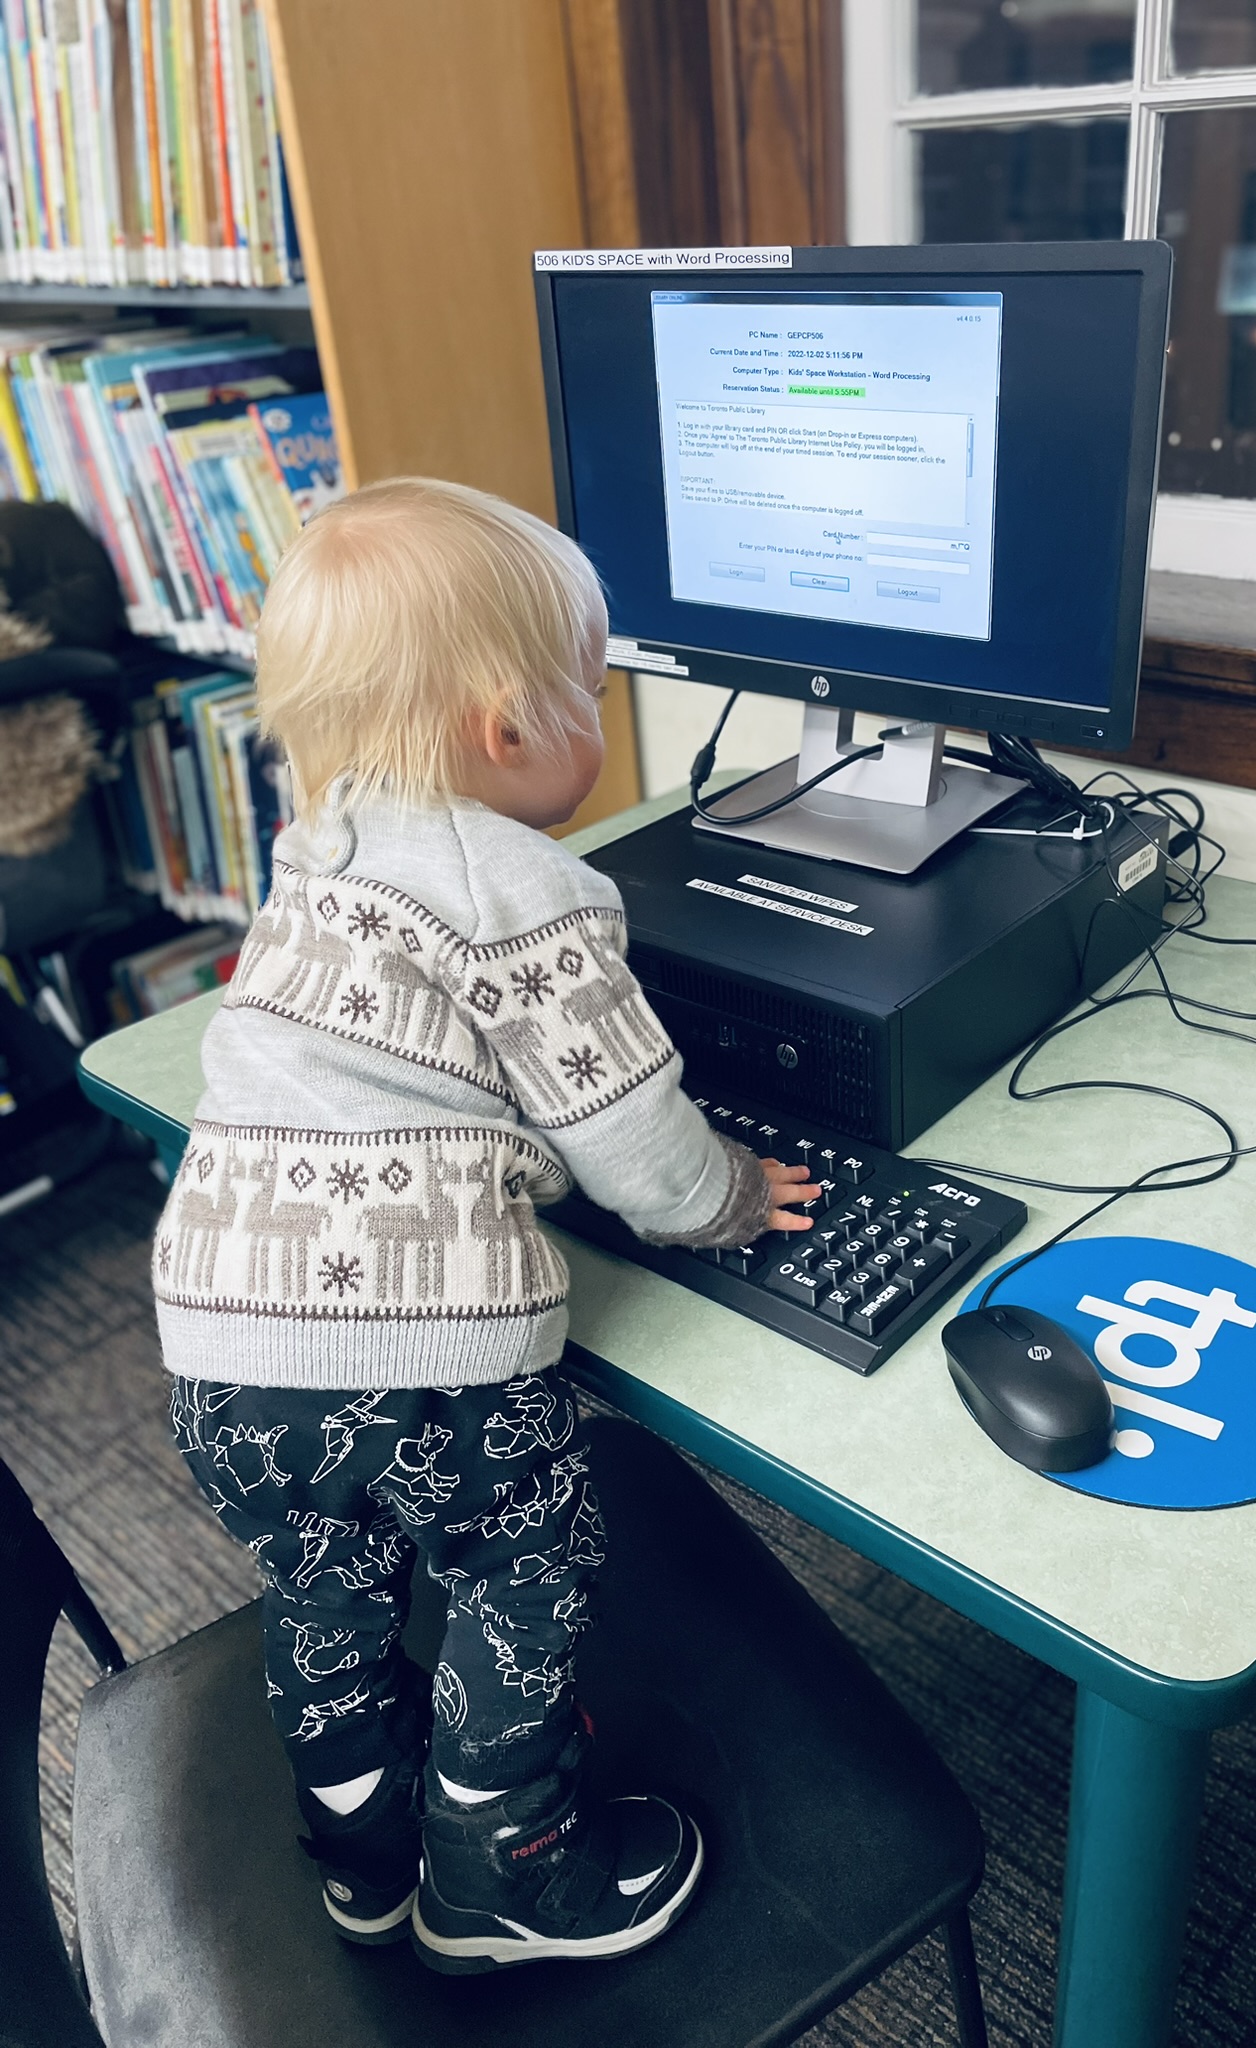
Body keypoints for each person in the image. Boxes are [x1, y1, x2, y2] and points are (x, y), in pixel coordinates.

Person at [151, 477, 819, 1971]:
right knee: (523, 1557)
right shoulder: (525, 887)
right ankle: (506, 1866)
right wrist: (726, 1196)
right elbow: (633, 1140)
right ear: (511, 727)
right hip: (414, 1365)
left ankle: (362, 1856)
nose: (603, 708)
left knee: (322, 1580)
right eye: (594, 686)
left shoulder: (318, 845)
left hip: (214, 1344)